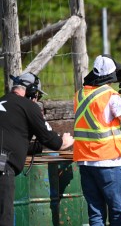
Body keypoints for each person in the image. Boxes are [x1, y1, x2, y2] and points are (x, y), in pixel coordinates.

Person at [0, 72, 75, 226]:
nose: (36, 99)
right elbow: (54, 142)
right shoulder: (29, 106)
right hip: (2, 168)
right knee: (4, 218)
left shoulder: (3, 102)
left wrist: (35, 147)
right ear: (31, 91)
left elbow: (10, 138)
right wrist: (65, 142)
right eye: (37, 95)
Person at [73, 54, 121, 226]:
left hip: (85, 162)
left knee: (95, 213)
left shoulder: (79, 95)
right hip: (108, 163)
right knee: (117, 213)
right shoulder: (111, 96)